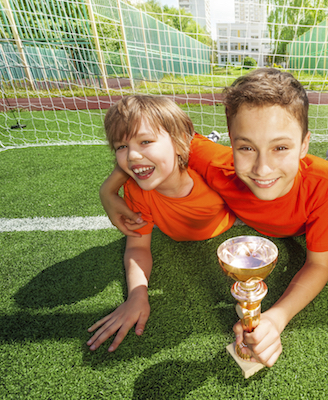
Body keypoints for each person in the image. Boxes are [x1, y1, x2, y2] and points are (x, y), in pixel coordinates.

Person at [98, 68, 328, 367]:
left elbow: (319, 264)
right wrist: (109, 192)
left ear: (304, 144)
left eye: (280, 147)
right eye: (246, 147)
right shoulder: (216, 163)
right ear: (230, 142)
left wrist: (277, 317)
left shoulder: (326, 185)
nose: (262, 168)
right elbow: (153, 147)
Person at [87, 95, 235, 352]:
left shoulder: (213, 175)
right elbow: (137, 247)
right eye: (121, 147)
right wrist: (137, 294)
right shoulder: (136, 190)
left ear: (179, 142)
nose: (132, 155)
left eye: (145, 141)